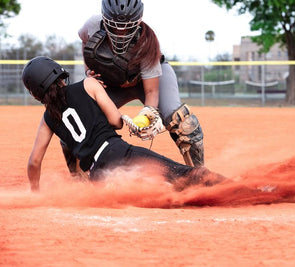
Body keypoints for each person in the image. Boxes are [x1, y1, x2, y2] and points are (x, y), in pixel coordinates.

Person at [22, 56, 223, 192]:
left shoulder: (48, 118)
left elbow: (34, 162)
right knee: (186, 176)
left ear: (35, 93)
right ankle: (238, 190)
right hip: (118, 153)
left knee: (146, 192)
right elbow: (116, 122)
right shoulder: (88, 84)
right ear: (59, 73)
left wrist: (35, 191)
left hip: (97, 175)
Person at [63, 0, 204, 178]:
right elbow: (85, 43)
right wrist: (87, 70)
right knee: (78, 119)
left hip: (144, 81)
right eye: (115, 26)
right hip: (113, 82)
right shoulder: (92, 24)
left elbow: (151, 92)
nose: (121, 33)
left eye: (127, 27)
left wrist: (147, 116)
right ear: (104, 19)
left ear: (138, 22)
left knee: (180, 121)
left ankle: (200, 176)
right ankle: (79, 181)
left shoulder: (147, 41)